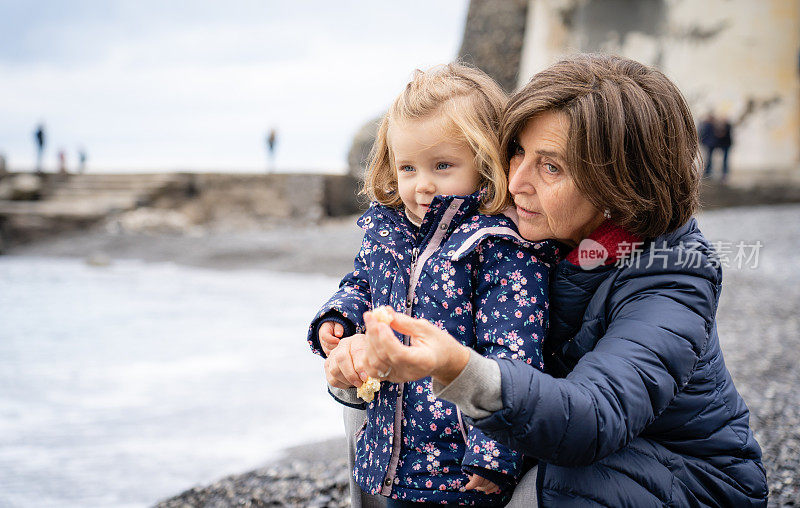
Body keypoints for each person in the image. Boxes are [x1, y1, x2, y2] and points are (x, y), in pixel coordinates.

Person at [355, 54, 768, 506]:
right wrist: (355, 355)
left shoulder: (674, 273)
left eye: (551, 167)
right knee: (384, 416)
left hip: (692, 478)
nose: (515, 183)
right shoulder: (517, 239)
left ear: (619, 184)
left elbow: (594, 417)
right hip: (572, 443)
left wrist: (459, 371)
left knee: (556, 485)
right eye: (517, 151)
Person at [307, 63, 560, 506]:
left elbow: (515, 355)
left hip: (459, 463)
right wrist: (338, 317)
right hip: (390, 445)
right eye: (407, 167)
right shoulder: (390, 232)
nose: (421, 186)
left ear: (484, 161)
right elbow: (362, 283)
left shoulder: (498, 248)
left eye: (442, 166)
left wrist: (494, 451)